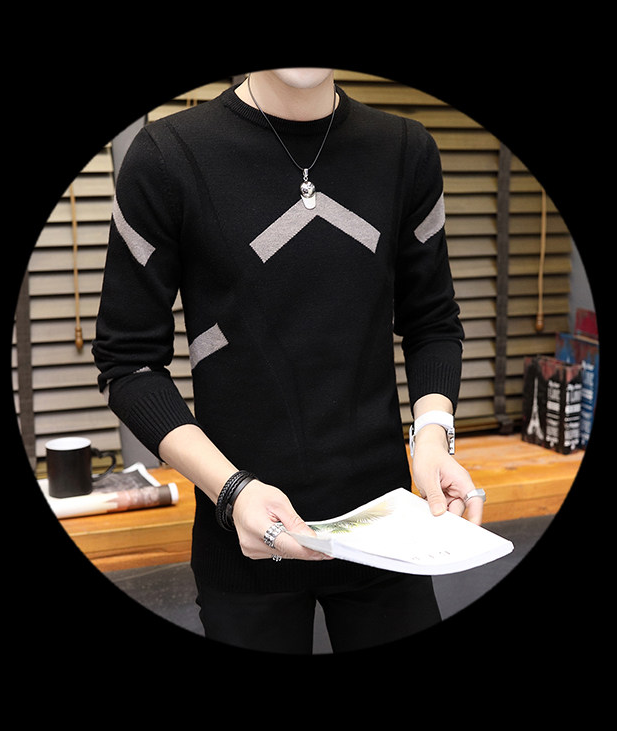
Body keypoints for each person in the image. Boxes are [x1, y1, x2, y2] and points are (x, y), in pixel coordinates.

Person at [93, 68, 483, 654]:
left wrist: (433, 438)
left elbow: (432, 322)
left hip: (389, 531)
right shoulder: (168, 156)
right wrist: (232, 492)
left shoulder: (405, 149)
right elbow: (129, 363)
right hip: (241, 537)